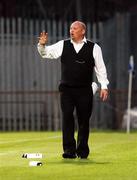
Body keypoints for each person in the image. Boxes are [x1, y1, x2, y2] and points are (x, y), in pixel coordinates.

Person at [37, 21, 109, 159]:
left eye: (75, 28)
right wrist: (42, 45)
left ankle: (82, 151)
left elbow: (100, 68)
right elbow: (45, 53)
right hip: (67, 90)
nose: (71, 30)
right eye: (70, 28)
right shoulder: (62, 44)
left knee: (83, 120)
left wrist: (104, 86)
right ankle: (69, 151)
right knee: (67, 117)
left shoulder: (95, 48)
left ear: (83, 31)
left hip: (85, 90)